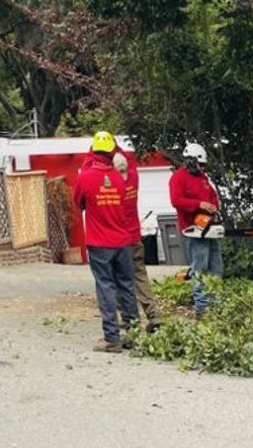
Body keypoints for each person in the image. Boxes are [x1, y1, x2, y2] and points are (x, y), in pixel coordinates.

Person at [72, 131, 140, 352]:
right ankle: (135, 334)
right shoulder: (119, 180)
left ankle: (112, 338)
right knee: (127, 286)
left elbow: (78, 202)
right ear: (112, 151)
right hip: (123, 242)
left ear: (92, 150)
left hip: (100, 243)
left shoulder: (85, 176)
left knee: (106, 288)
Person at [169, 141, 223, 318]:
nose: (202, 168)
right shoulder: (178, 178)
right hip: (192, 230)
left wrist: (214, 207)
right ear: (191, 161)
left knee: (216, 266)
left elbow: (213, 197)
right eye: (200, 164)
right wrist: (198, 204)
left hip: (208, 227)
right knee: (199, 268)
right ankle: (203, 308)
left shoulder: (203, 178)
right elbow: (177, 201)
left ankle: (216, 304)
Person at [113, 146, 160, 332]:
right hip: (135, 238)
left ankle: (128, 319)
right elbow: (129, 162)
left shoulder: (114, 186)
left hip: (121, 241)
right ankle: (153, 315)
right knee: (140, 276)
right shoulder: (133, 177)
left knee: (121, 279)